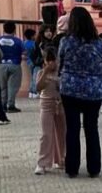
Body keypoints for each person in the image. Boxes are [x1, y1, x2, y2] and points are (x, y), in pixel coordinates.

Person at [58, 7, 102, 178]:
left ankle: (72, 168)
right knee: (91, 128)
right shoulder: (100, 43)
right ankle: (94, 168)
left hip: (70, 89)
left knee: (72, 129)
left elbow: (60, 63)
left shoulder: (66, 42)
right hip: (93, 90)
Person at [34, 45, 64, 174]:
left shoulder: (62, 72)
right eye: (48, 60)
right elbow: (38, 87)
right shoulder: (41, 72)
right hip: (46, 104)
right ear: (45, 60)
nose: (51, 63)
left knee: (62, 133)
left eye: (54, 59)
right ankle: (43, 163)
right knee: (46, 134)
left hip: (61, 104)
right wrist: (45, 72)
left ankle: (62, 159)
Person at [0, 21, 25, 113]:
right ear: (14, 29)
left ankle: (3, 104)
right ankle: (11, 105)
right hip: (15, 64)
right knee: (13, 86)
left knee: (2, 86)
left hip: (1, 64)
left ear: (4, 29)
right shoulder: (18, 41)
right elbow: (24, 53)